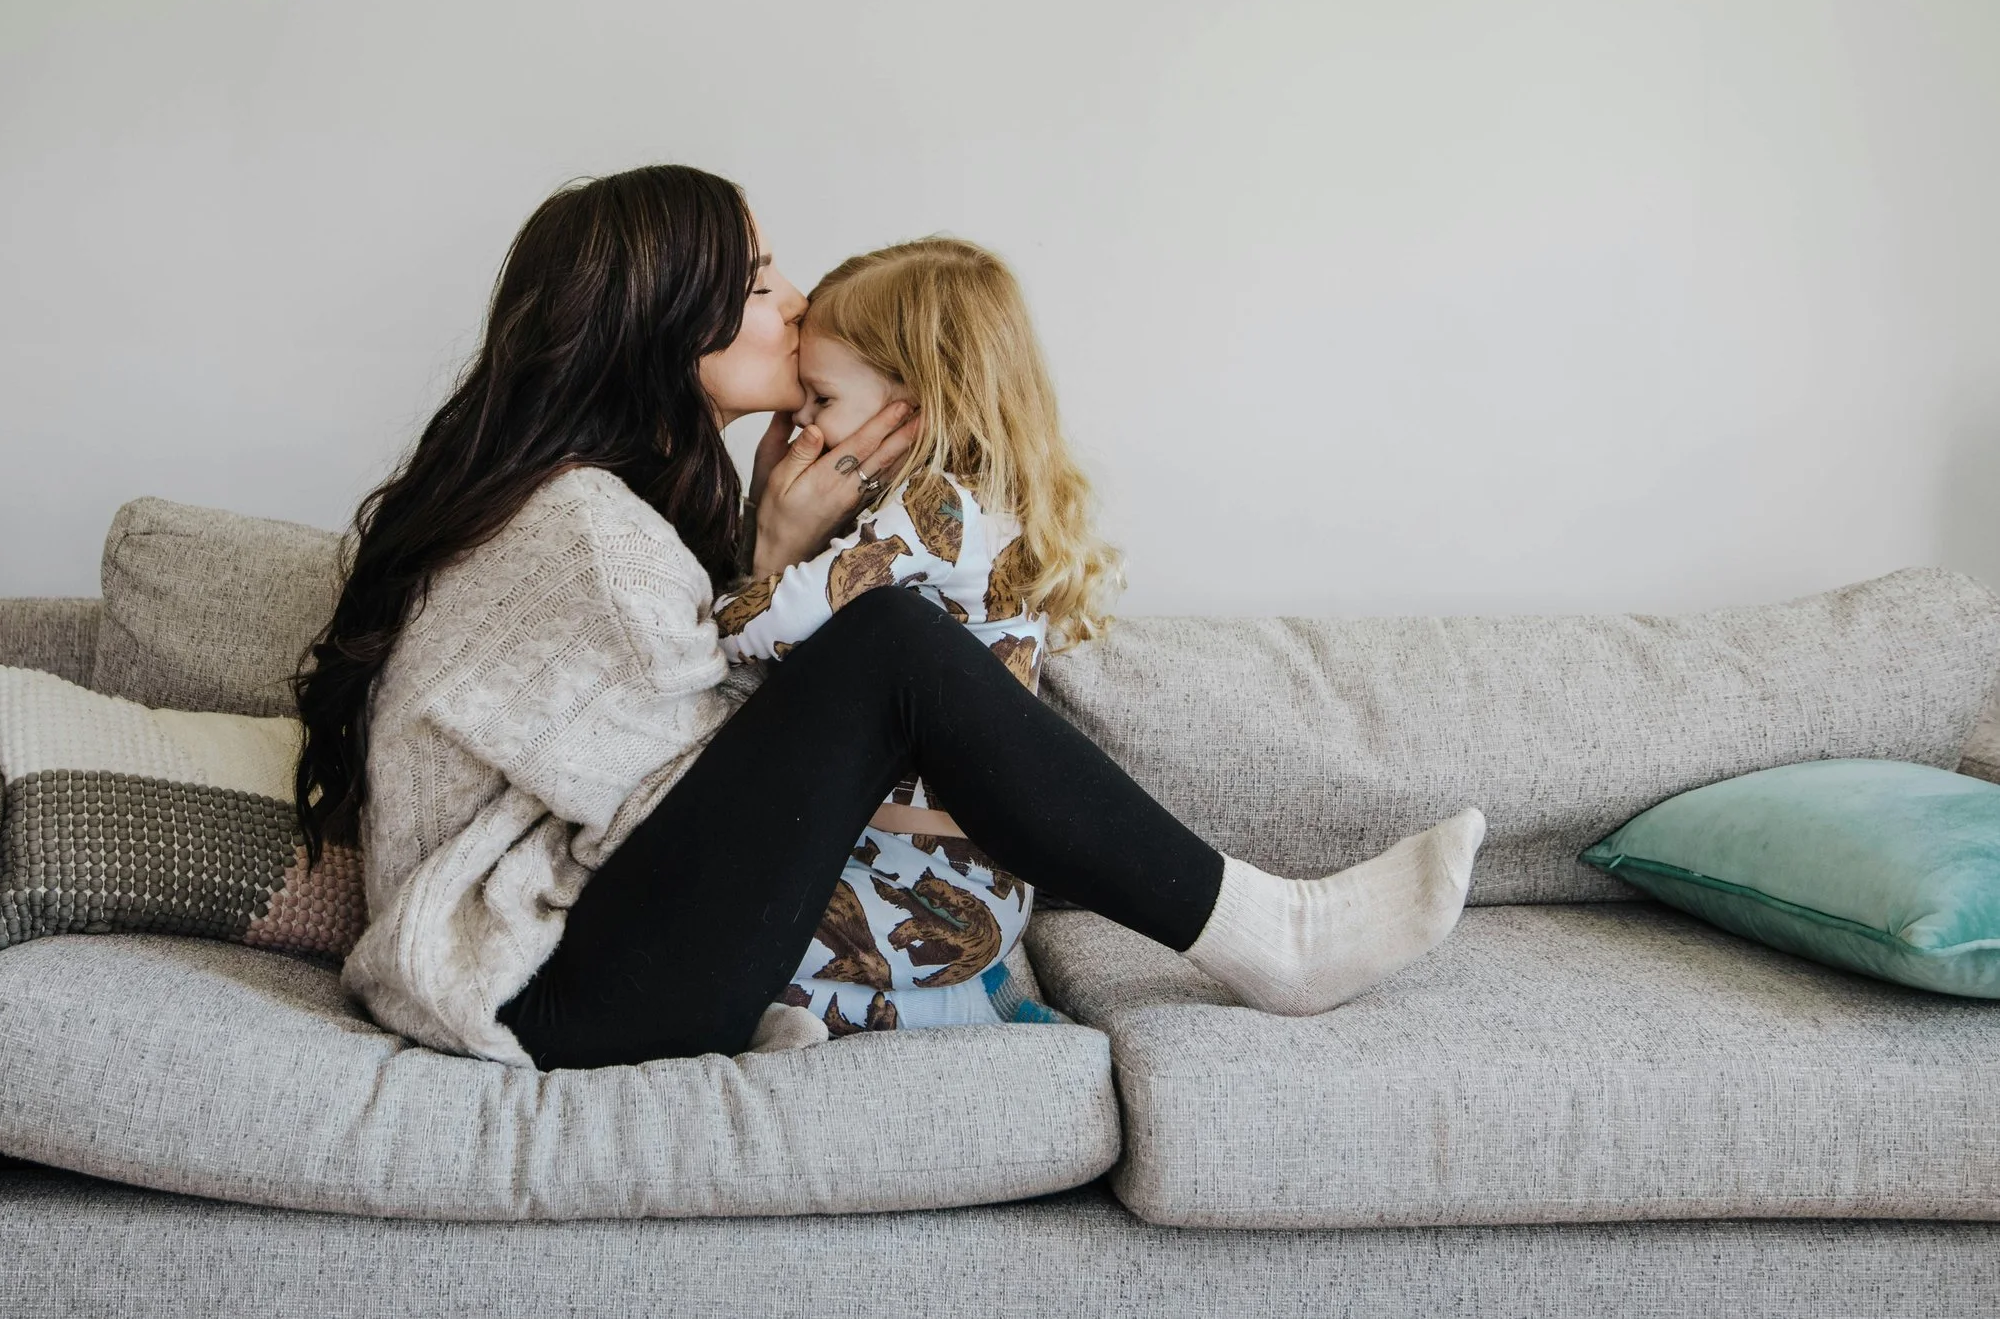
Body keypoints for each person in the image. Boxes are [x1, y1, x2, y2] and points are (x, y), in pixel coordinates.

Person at [297, 164, 1484, 1072]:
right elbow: (669, 779)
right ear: (670, 316)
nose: (798, 300)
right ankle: (1269, 932)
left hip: (593, 965)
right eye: (761, 280)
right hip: (539, 989)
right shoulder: (585, 532)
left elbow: (723, 777)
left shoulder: (618, 506)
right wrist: (780, 563)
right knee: (892, 640)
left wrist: (772, 555)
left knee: (886, 633)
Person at [712, 236, 1099, 1040]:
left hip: (919, 878)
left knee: (715, 941)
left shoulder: (930, 514)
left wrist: (759, 558)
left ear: (909, 411)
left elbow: (765, 630)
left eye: (818, 400)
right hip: (970, 877)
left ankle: (945, 1007)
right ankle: (944, 1006)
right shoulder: (985, 507)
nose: (802, 428)